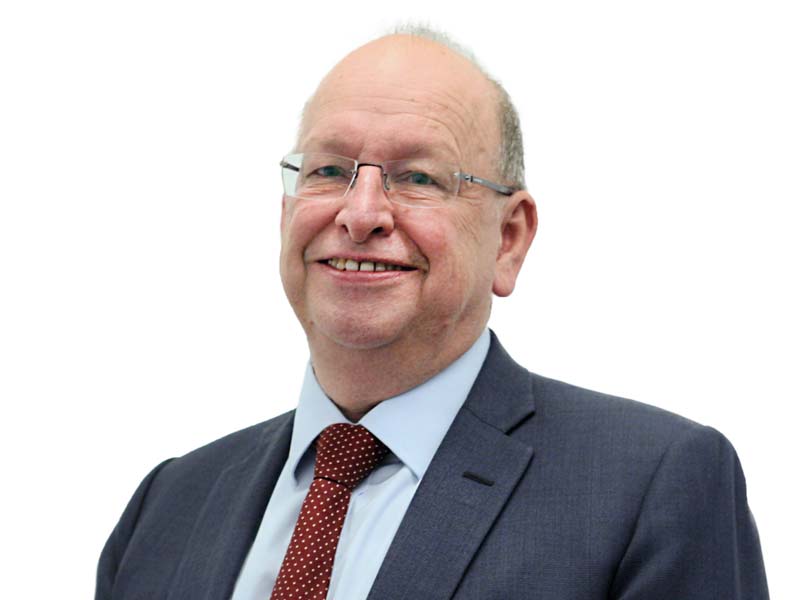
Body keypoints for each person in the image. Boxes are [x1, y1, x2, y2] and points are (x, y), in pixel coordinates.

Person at [96, 27, 769, 600]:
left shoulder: (651, 484)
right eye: (327, 171)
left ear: (509, 239)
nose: (360, 214)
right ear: (286, 213)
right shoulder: (168, 506)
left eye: (418, 177)